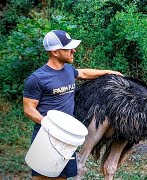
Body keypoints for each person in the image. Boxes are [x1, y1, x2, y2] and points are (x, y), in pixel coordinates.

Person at [23, 30, 122, 180]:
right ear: (55, 52)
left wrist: (108, 72)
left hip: (67, 138)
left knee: (62, 177)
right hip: (47, 136)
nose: (73, 50)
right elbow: (29, 109)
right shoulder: (37, 78)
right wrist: (52, 126)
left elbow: (83, 74)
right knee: (43, 177)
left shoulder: (68, 70)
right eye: (69, 48)